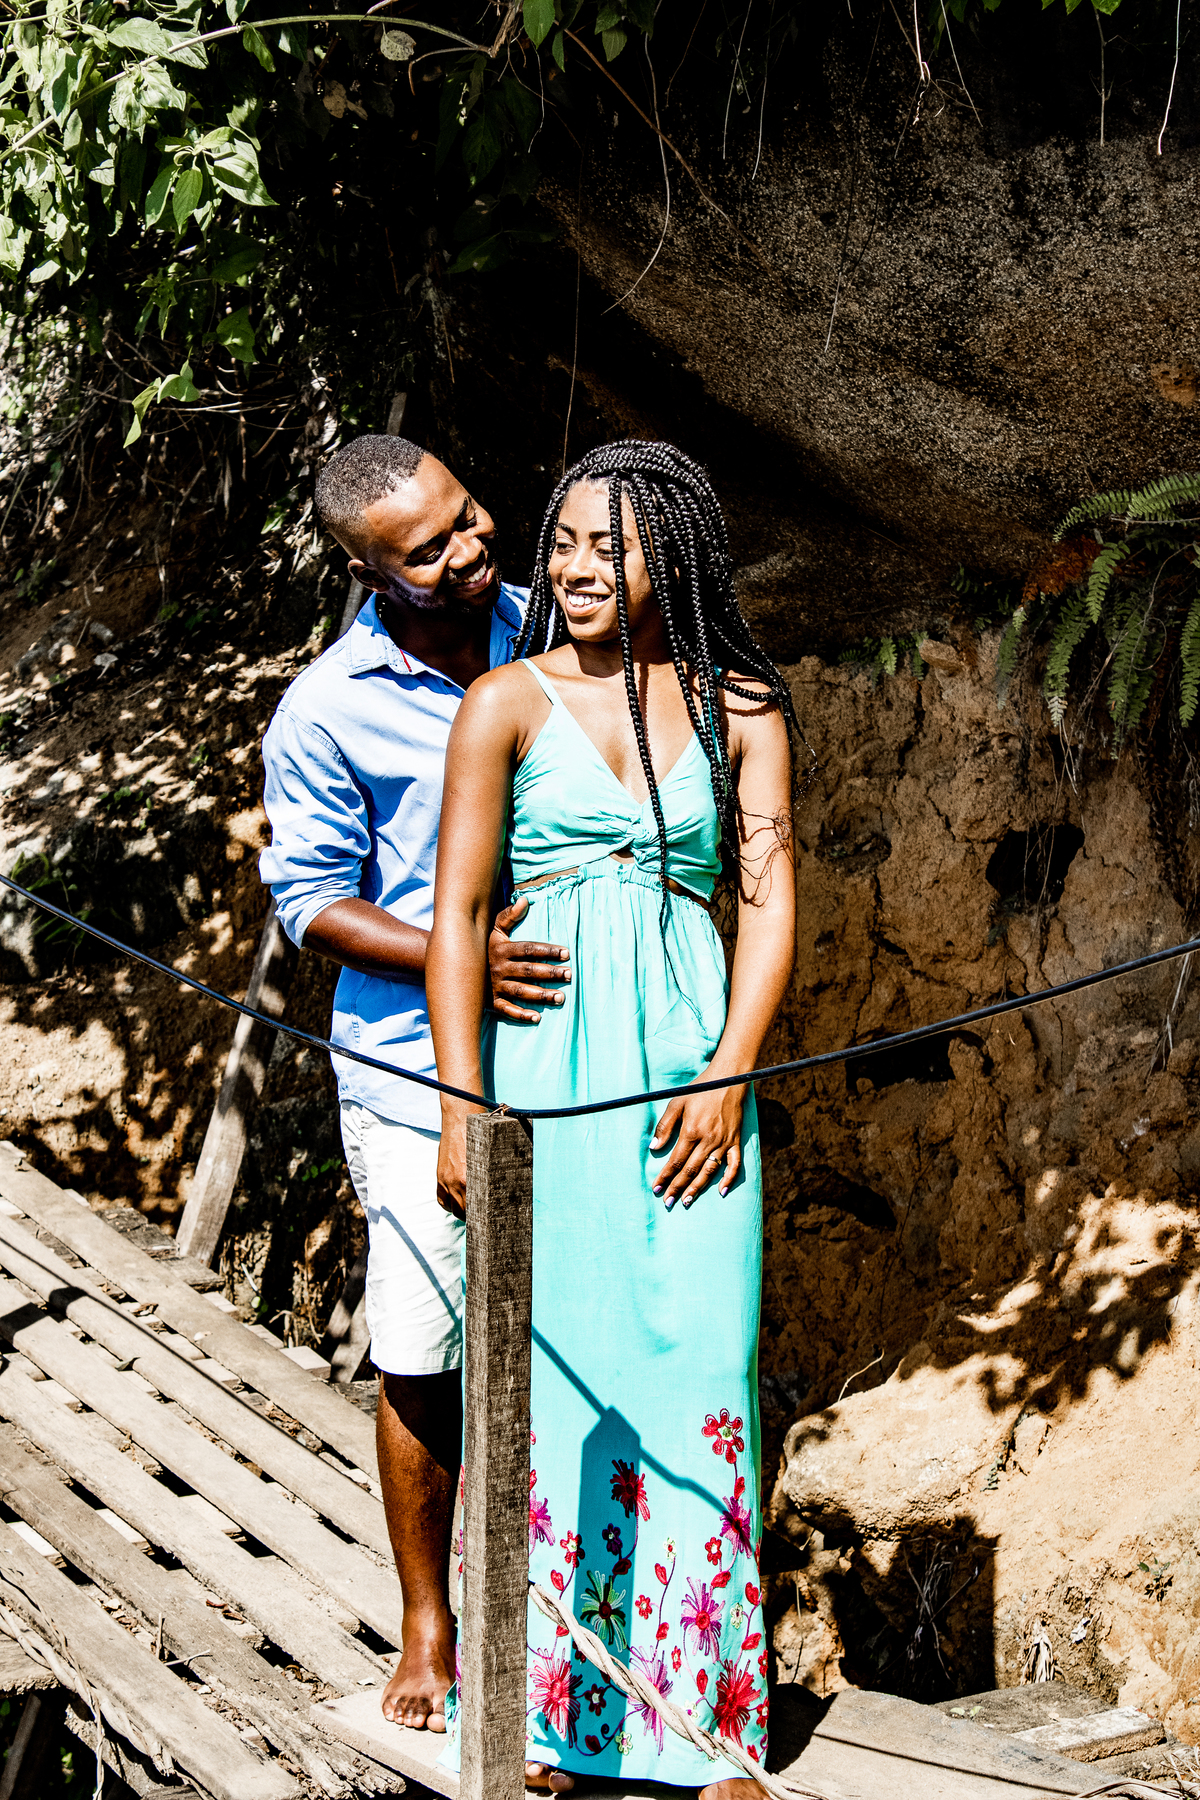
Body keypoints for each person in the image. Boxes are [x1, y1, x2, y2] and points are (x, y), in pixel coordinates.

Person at [427, 441, 800, 1798]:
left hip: (692, 1070)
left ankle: (708, 1725)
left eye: (613, 546)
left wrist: (730, 1071)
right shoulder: (501, 705)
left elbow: (766, 902)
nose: (578, 568)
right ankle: (554, 1718)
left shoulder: (743, 706)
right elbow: (457, 919)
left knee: (699, 1362)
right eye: (566, 542)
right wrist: (462, 1114)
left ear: (675, 558)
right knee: (555, 1380)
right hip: (544, 1079)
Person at [259, 434, 572, 1734]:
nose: (467, 551)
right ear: (365, 570)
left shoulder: (557, 624)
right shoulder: (327, 708)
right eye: (426, 550)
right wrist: (461, 952)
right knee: (426, 1347)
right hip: (404, 1069)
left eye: (467, 516)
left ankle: (569, 1619)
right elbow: (310, 904)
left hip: (572, 1047)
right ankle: (429, 1623)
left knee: (571, 1336)